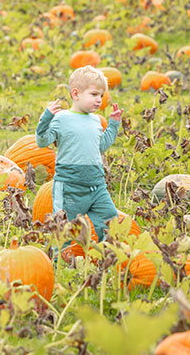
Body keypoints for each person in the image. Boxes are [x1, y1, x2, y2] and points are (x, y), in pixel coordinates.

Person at [34, 66, 122, 263]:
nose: (100, 100)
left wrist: (114, 124)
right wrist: (46, 118)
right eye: (94, 94)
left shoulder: (95, 121)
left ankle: (107, 259)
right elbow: (42, 141)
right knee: (65, 228)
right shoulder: (62, 118)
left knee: (110, 220)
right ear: (76, 93)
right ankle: (57, 265)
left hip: (96, 185)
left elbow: (102, 146)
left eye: (101, 95)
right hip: (70, 187)